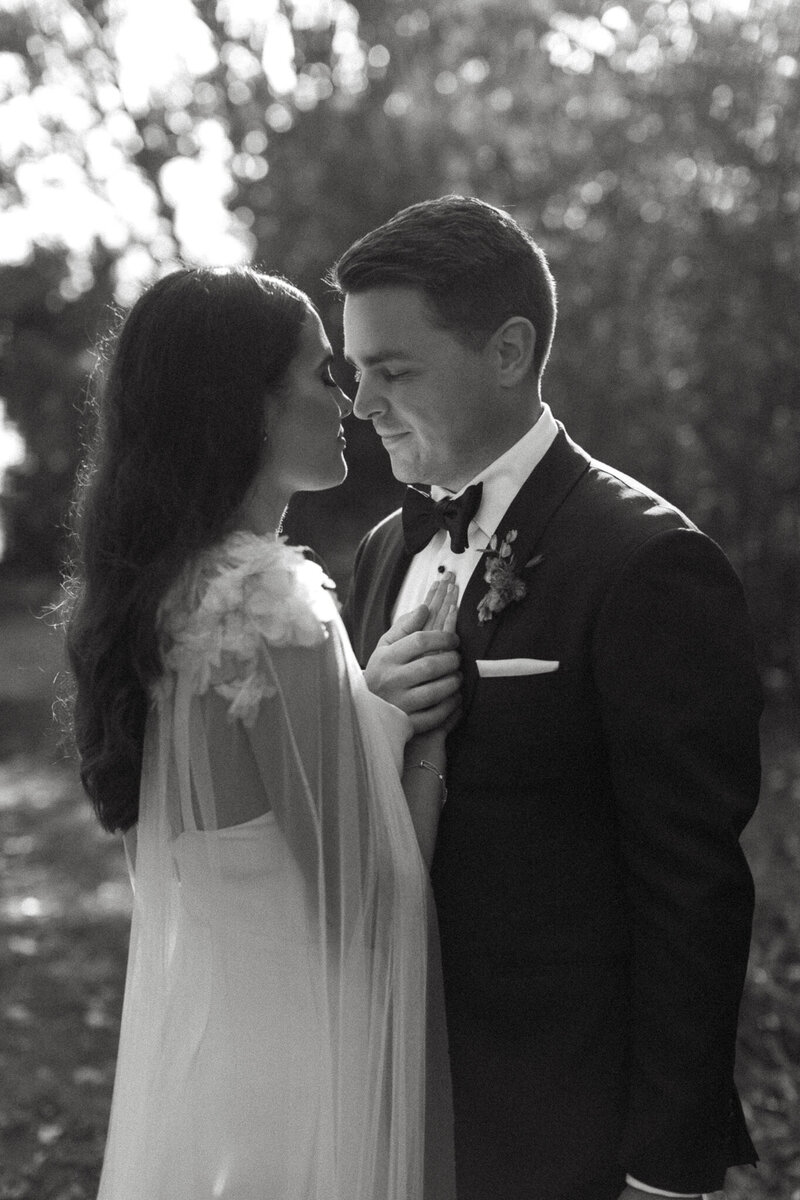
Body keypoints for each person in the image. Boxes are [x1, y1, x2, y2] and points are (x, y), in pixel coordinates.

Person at [331, 195, 762, 1200]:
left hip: (559, 1122)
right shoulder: (378, 555)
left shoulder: (647, 563)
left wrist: (664, 1162)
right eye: (355, 374)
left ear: (508, 349)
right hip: (383, 1096)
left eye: (391, 371)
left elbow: (690, 891)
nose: (361, 406)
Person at [62, 266, 461, 1200]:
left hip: (224, 1084)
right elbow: (374, 902)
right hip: (321, 1078)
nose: (353, 403)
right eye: (324, 374)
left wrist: (372, 711)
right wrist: (427, 747)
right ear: (243, 403)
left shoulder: (159, 600)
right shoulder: (269, 606)